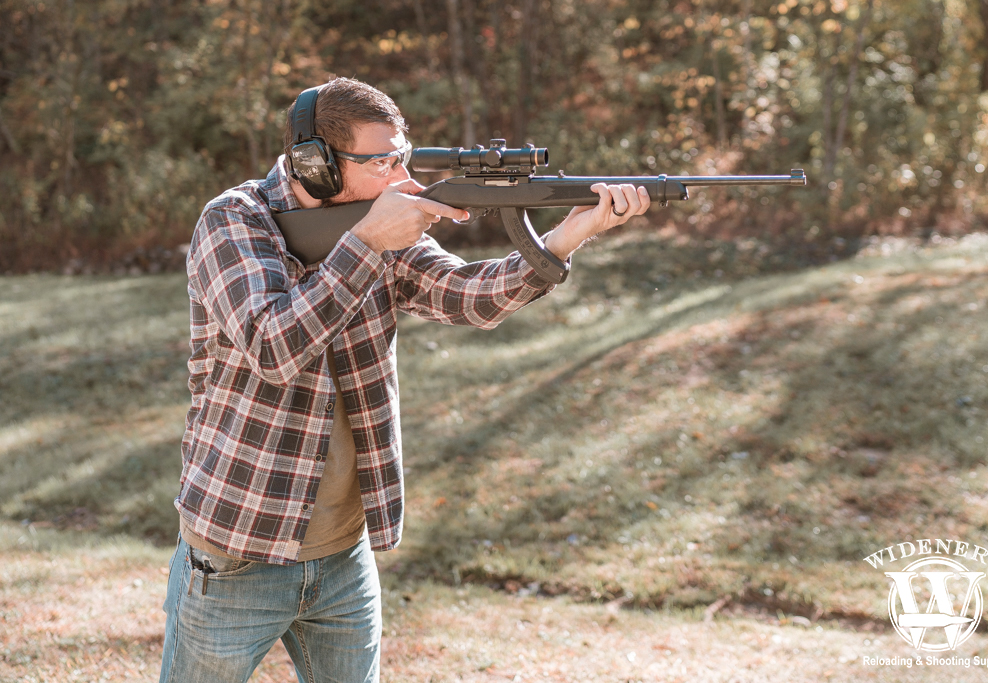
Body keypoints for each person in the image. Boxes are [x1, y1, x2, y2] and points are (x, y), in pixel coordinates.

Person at [159, 76, 650, 683]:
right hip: (239, 548)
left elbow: (471, 298)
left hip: (344, 555)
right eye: (379, 160)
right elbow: (273, 346)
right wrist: (366, 243)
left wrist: (570, 233)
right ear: (315, 164)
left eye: (402, 156)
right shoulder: (234, 221)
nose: (398, 174)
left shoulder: (381, 224)